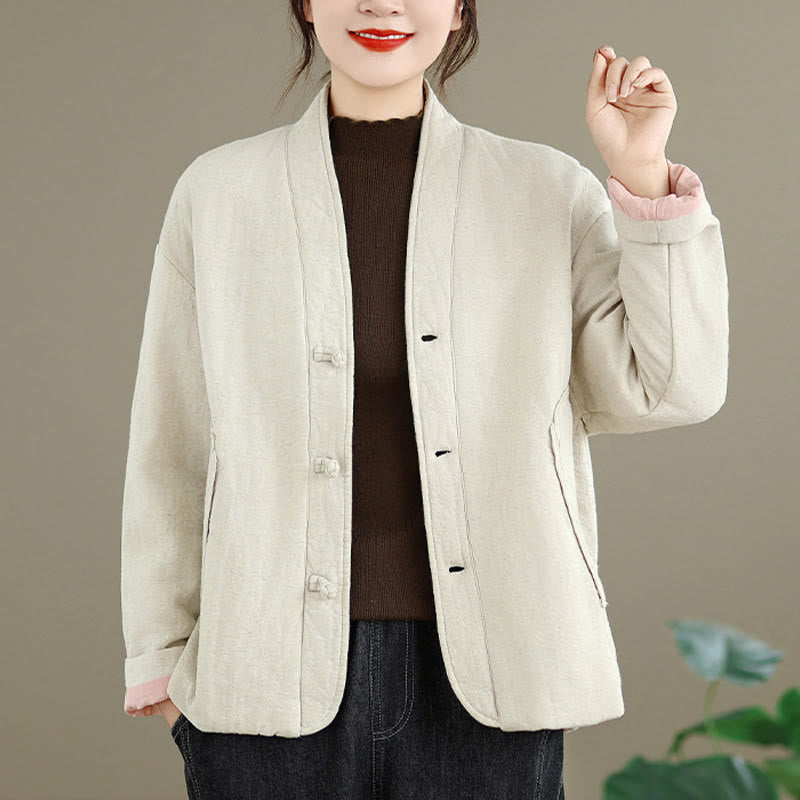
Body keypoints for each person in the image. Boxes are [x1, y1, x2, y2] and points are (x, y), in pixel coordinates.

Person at [120, 1, 729, 798]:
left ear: (460, 8)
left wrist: (643, 171)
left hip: (495, 687)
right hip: (259, 683)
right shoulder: (220, 193)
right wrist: (161, 662)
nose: (381, 4)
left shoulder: (546, 190)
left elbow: (671, 386)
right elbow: (171, 441)